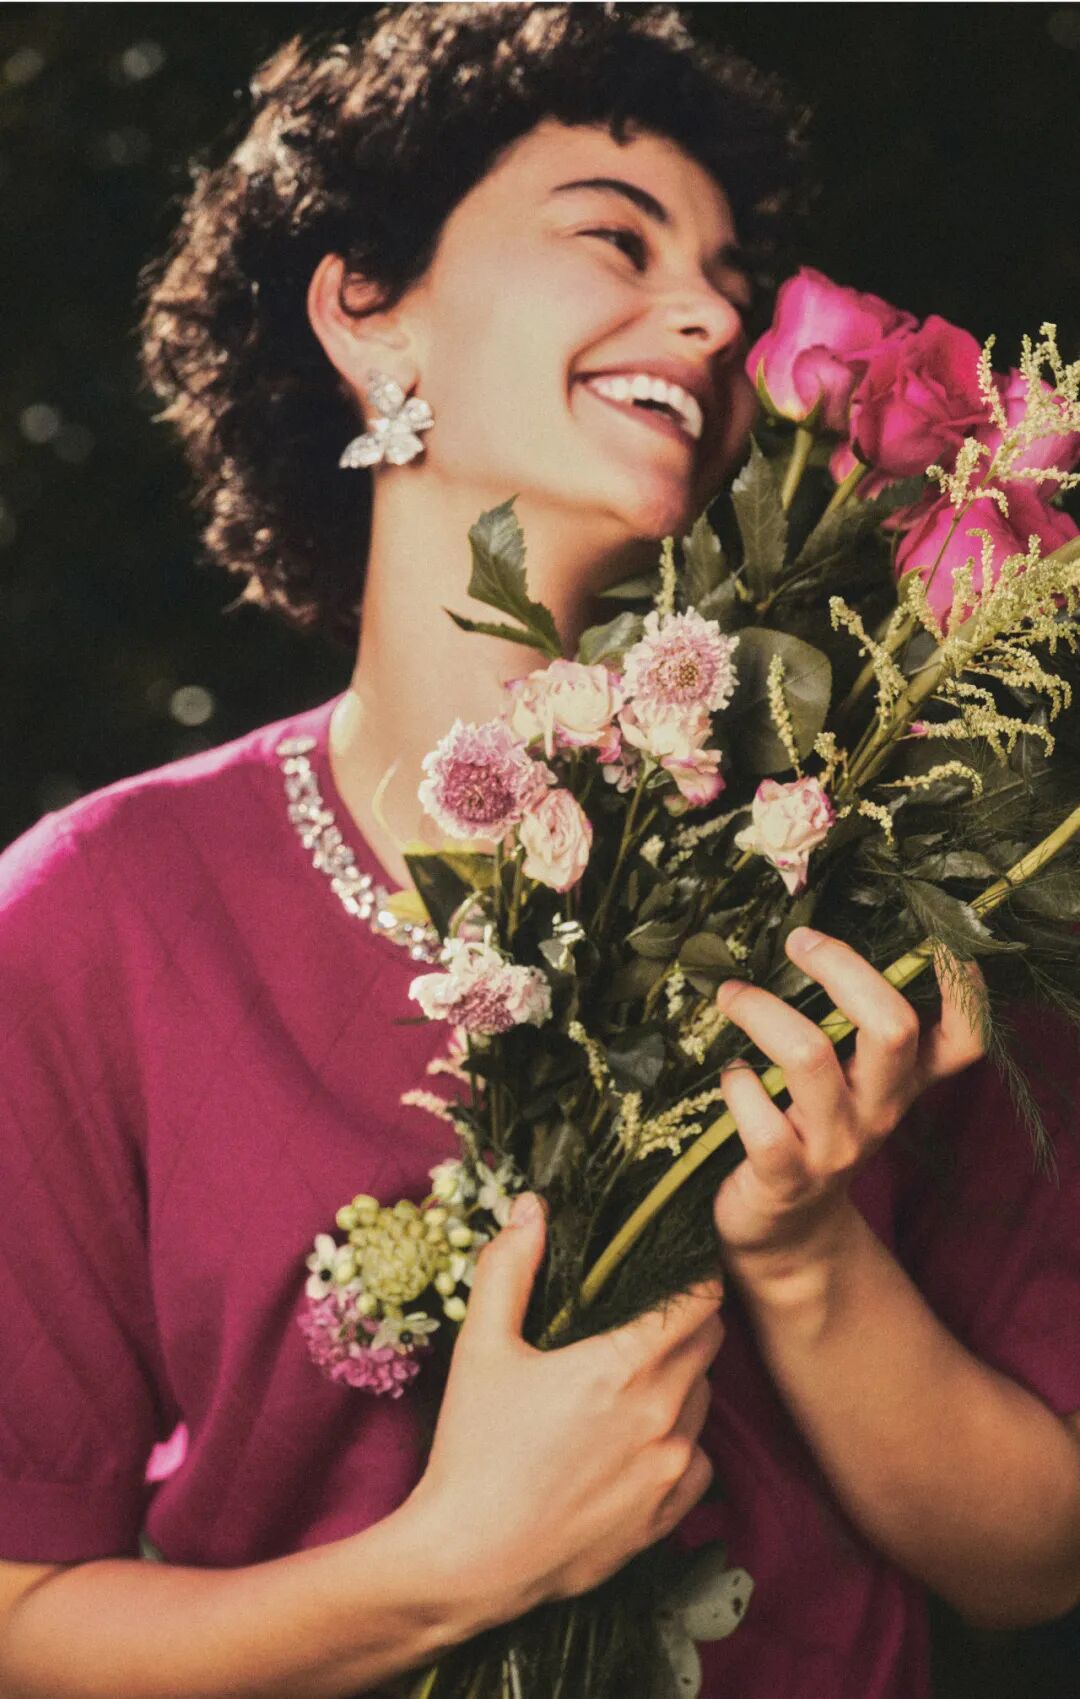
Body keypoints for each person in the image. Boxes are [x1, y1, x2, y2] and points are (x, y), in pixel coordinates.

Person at [1, 6, 1078, 1696]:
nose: (712, 316)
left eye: (727, 279)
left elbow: (1033, 1560)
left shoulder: (882, 871)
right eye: (615, 239)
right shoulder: (92, 916)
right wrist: (450, 1568)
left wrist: (805, 1254)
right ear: (368, 310)